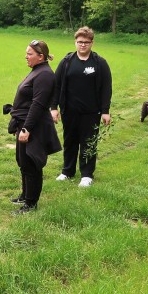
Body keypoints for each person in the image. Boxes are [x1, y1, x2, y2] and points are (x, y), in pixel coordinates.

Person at [50, 26, 112, 187]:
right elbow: (56, 85)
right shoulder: (67, 62)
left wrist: (105, 111)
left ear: (92, 43)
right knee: (70, 141)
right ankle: (67, 171)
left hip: (91, 112)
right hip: (69, 111)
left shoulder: (99, 63)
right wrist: (54, 108)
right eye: (79, 42)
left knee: (89, 142)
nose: (83, 45)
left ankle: (87, 175)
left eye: (86, 42)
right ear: (75, 42)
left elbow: (106, 88)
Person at [8, 40, 62, 213]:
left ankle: (31, 203)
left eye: (29, 54)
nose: (26, 56)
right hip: (24, 122)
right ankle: (25, 195)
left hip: (34, 125)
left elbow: (38, 104)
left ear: (41, 56)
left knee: (31, 163)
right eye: (26, 53)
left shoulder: (45, 74)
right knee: (23, 161)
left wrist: (27, 129)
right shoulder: (37, 71)